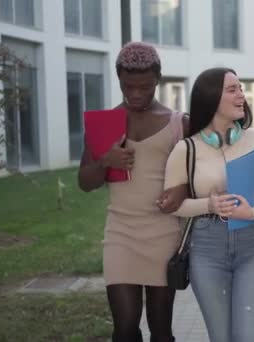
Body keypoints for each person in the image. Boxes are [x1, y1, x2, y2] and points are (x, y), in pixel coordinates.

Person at [78, 41, 188, 342]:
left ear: (158, 80)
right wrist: (105, 162)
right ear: (119, 80)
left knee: (161, 330)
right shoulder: (104, 124)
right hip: (120, 235)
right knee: (124, 330)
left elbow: (196, 178)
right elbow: (85, 182)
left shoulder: (178, 124)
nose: (136, 94)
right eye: (129, 87)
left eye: (145, 87)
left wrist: (180, 192)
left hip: (163, 234)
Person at [163, 67, 254, 342]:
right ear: (211, 97)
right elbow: (172, 205)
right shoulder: (186, 149)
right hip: (207, 248)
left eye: (241, 88)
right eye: (233, 89)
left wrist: (253, 212)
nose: (241, 95)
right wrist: (209, 205)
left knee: (250, 337)